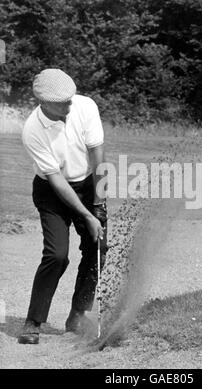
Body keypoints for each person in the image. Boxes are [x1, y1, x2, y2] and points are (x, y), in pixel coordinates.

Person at [18, 69, 108, 345]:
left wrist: (99, 204)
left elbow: (98, 156)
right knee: (57, 255)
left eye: (71, 98)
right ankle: (33, 322)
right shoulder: (33, 130)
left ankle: (78, 315)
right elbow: (56, 181)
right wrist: (85, 214)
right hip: (52, 192)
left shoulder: (85, 106)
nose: (71, 104)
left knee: (98, 249)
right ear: (44, 102)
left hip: (88, 184)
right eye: (63, 102)